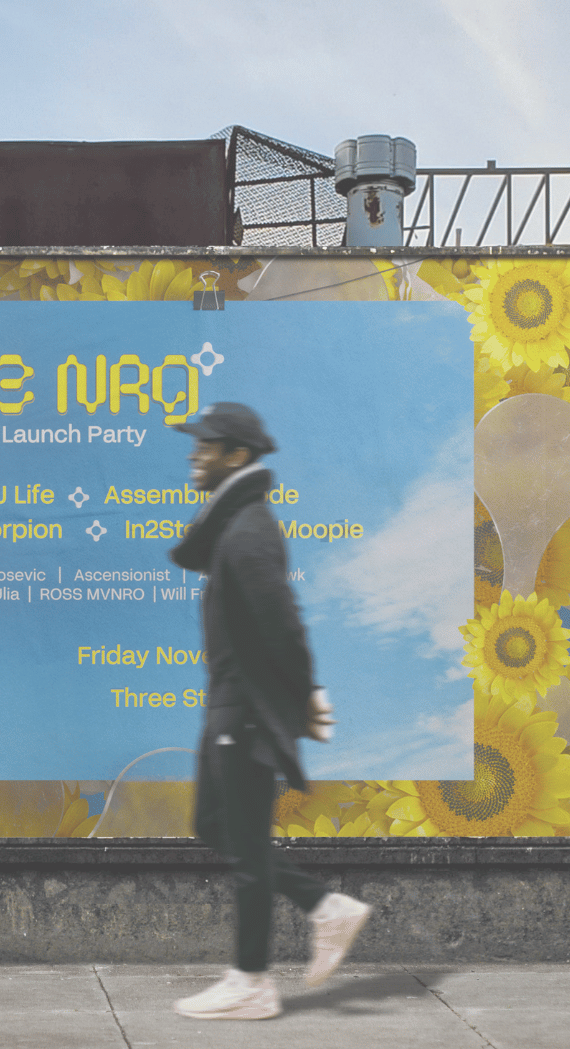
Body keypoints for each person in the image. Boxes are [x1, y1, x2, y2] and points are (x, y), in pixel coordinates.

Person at [166, 401, 372, 1021]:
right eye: (196, 444)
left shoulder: (249, 529)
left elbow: (283, 622)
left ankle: (252, 981)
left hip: (246, 708)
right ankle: (324, 905)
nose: (194, 453)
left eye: (207, 444)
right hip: (230, 702)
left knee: (246, 840)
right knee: (215, 826)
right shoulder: (235, 527)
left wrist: (304, 695)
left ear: (239, 456)